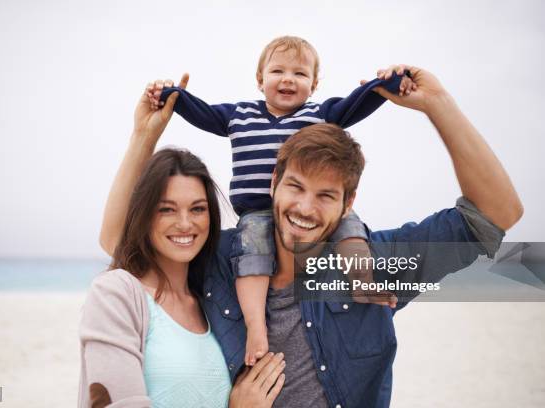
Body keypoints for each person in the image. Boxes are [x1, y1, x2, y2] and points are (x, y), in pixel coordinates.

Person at [100, 64, 523, 407]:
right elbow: (121, 241)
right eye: (296, 187)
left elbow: (496, 214)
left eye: (326, 195)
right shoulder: (222, 262)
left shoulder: (376, 264)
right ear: (273, 185)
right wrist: (144, 135)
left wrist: (438, 105)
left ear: (348, 202)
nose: (304, 208)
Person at [147, 36, 411, 365]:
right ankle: (256, 327)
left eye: (300, 74)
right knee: (252, 258)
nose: (288, 79)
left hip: (309, 210)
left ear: (313, 85)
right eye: (277, 71)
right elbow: (202, 113)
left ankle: (362, 280)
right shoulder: (238, 115)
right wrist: (174, 96)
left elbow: (358, 102)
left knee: (350, 226)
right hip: (257, 212)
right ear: (260, 80)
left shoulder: (321, 114)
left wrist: (386, 82)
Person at [78, 88, 286, 407]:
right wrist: (143, 136)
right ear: (144, 215)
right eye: (166, 209)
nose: (186, 224)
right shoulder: (118, 294)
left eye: (198, 209)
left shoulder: (212, 296)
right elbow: (114, 239)